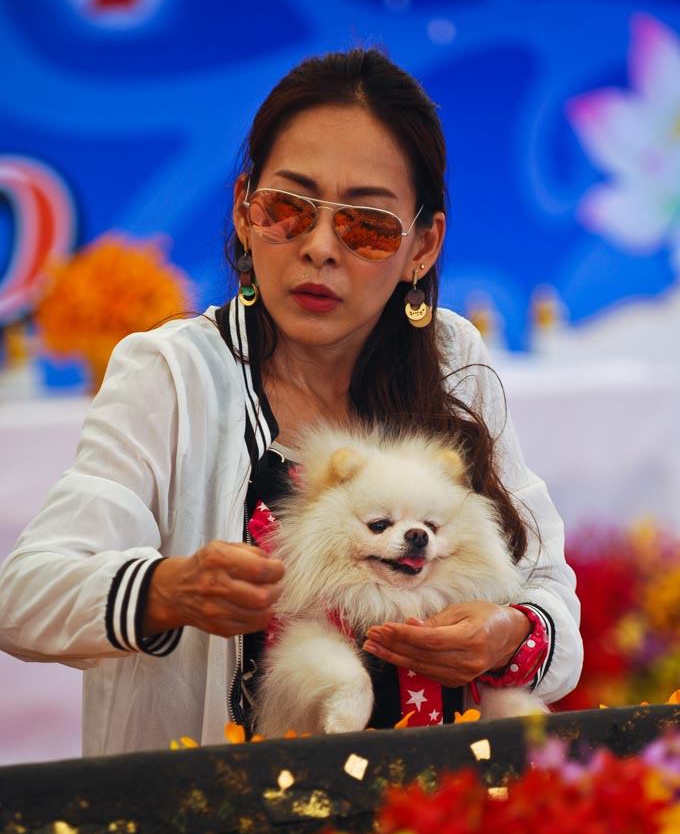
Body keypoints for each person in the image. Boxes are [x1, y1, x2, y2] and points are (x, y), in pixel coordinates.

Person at [0, 48, 582, 755]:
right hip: (217, 832)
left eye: (366, 226)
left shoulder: (451, 357)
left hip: (430, 814)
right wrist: (167, 590)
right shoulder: (170, 374)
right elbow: (24, 595)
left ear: (422, 248)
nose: (319, 248)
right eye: (288, 210)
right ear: (245, 213)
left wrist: (508, 635)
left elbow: (548, 587)